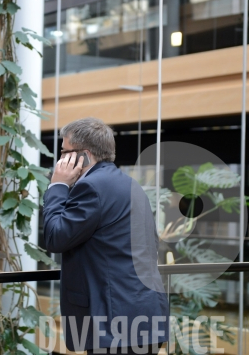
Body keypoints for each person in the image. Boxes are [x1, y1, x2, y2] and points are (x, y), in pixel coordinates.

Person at [43, 117, 169, 355]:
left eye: (64, 152)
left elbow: (56, 237)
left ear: (84, 155)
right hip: (144, 316)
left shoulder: (91, 187)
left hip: (116, 325)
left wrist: (57, 186)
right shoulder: (131, 185)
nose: (60, 161)